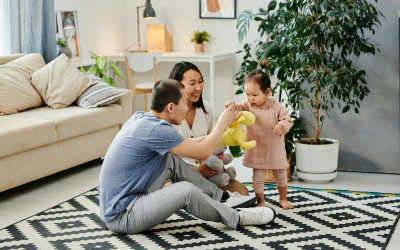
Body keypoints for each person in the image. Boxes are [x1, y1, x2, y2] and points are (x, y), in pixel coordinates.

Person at [98, 79, 276, 234]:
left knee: (169, 159)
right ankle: (236, 218)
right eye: (185, 102)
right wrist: (222, 123)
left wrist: (222, 133)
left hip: (130, 199)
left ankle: (222, 198)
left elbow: (188, 144)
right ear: (170, 107)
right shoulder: (156, 129)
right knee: (185, 191)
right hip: (122, 215)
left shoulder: (144, 119)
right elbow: (203, 152)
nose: (187, 106)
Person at [169, 61, 249, 195]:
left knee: (243, 194)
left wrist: (216, 165)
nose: (198, 87)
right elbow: (165, 162)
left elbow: (213, 144)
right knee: (218, 197)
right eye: (192, 83)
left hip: (207, 170)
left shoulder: (206, 108)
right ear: (177, 86)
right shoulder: (169, 114)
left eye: (200, 82)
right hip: (179, 175)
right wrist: (196, 172)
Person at [225, 70, 295, 210]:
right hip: (258, 149)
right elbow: (238, 108)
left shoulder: (276, 107)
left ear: (267, 92)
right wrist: (231, 104)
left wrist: (282, 125)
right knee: (258, 178)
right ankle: (261, 200)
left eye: (255, 95)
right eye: (248, 95)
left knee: (281, 175)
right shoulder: (248, 105)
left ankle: (283, 198)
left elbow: (287, 120)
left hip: (275, 148)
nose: (250, 98)